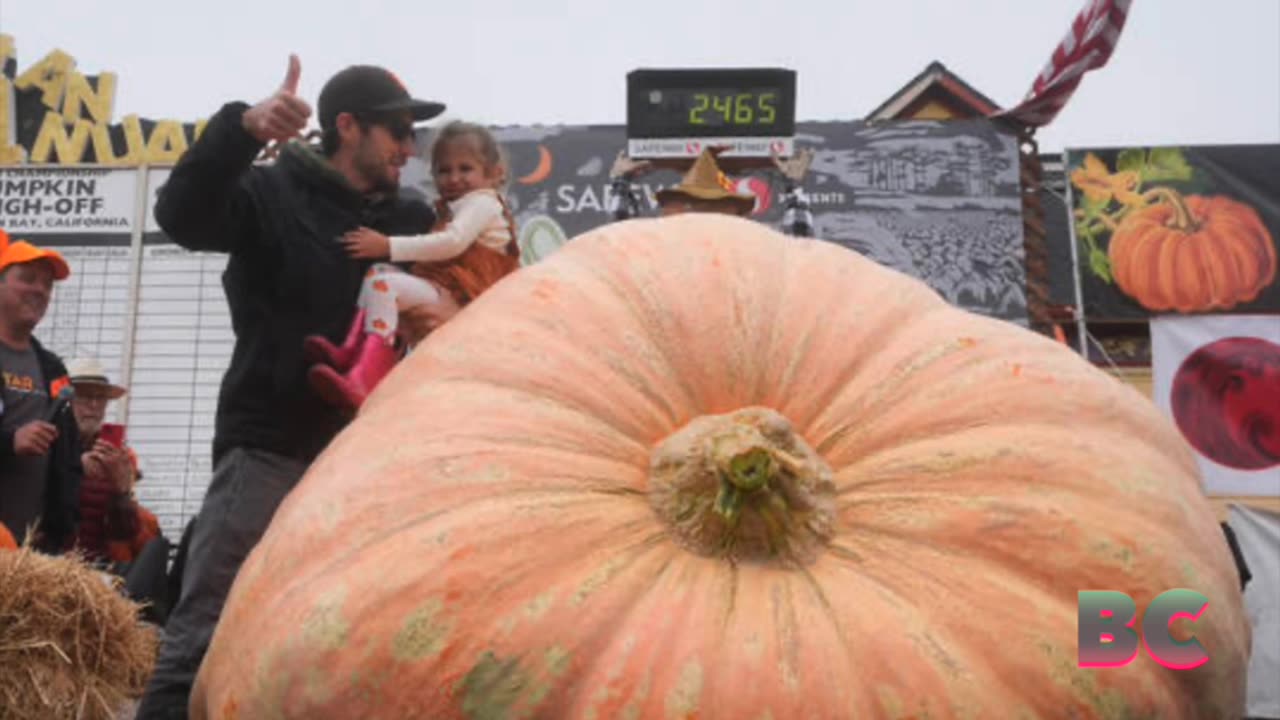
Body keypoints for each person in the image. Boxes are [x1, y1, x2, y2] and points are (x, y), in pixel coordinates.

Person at [135, 55, 447, 718]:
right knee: (204, 641)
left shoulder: (413, 224)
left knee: (341, 654)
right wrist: (243, 128)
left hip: (368, 474)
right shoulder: (272, 194)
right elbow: (182, 214)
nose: (408, 147)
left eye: (413, 133)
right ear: (347, 127)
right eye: (396, 130)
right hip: (268, 455)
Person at [305, 120, 519, 410]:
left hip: (460, 295)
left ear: (494, 174)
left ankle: (369, 375)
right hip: (446, 290)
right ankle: (356, 350)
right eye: (444, 170)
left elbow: (452, 242)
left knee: (384, 284)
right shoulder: (453, 208)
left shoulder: (483, 203)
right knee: (379, 274)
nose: (454, 178)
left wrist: (388, 246)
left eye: (465, 168)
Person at [64, 357, 170, 623]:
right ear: (65, 401)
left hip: (105, 568)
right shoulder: (50, 446)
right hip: (57, 566)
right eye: (85, 396)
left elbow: (130, 538)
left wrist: (122, 492)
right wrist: (76, 470)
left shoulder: (121, 457)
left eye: (100, 398)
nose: (94, 405)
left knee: (158, 547)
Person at [0, 229, 82, 555]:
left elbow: (69, 457)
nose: (40, 291)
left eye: (47, 286)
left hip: (33, 560)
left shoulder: (53, 369)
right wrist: (10, 441)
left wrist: (65, 528)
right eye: (28, 279)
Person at [609, 146, 817, 235]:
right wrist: (621, 182)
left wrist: (793, 186)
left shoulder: (749, 247)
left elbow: (797, 253)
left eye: (714, 205)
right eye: (695, 204)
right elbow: (625, 243)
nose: (704, 212)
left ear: (734, 212)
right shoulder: (667, 249)